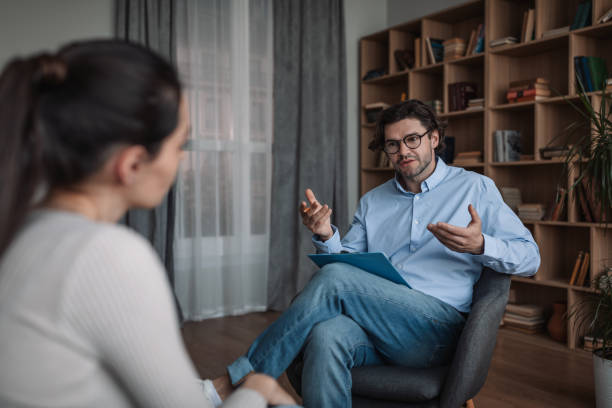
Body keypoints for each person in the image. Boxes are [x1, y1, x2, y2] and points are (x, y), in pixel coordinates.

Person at [0, 39, 296, 408]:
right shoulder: (105, 256)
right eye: (180, 147)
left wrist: (216, 389)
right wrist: (259, 390)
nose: (181, 163)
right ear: (133, 163)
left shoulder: (22, 231)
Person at [214, 99, 541, 407]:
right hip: (378, 326)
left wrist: (481, 244)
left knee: (336, 279)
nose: (403, 151)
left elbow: (530, 257)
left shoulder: (475, 187)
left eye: (413, 139)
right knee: (326, 336)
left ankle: (239, 380)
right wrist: (325, 234)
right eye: (393, 144)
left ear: (435, 138)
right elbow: (348, 262)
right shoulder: (373, 201)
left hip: (437, 332)